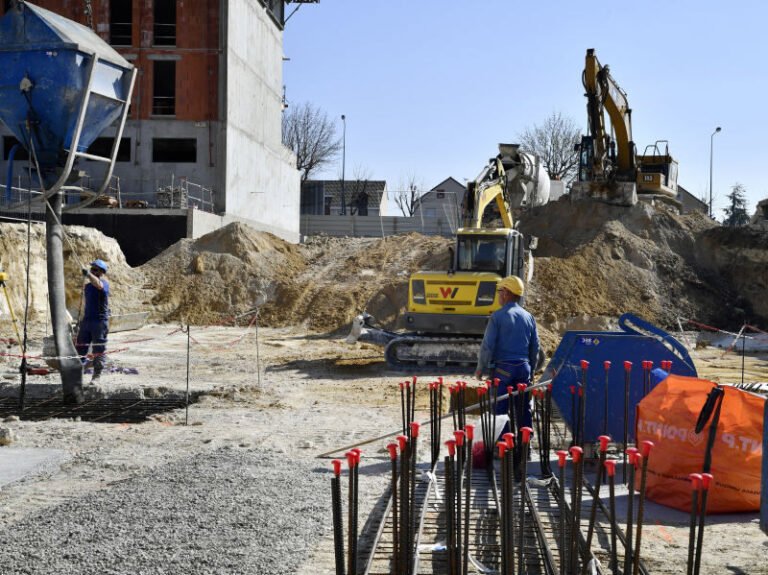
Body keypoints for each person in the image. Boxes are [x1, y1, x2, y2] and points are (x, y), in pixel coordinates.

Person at [474, 275, 539, 454]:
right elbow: (535, 348)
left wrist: (481, 367)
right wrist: (531, 370)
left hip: (503, 369)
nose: (499, 295)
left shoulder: (498, 316)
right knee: (524, 406)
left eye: (500, 291)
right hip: (524, 367)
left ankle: (503, 444)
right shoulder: (529, 317)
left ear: (507, 293)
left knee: (500, 406)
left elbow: (488, 345)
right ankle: (526, 443)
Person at [76, 259, 110, 382]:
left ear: (101, 272)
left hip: (99, 321)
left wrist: (89, 275)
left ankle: (96, 376)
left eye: (95, 270)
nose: (92, 271)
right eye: (92, 269)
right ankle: (78, 375)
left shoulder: (104, 284)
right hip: (87, 321)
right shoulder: (88, 286)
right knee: (80, 348)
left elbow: (99, 285)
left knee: (98, 349)